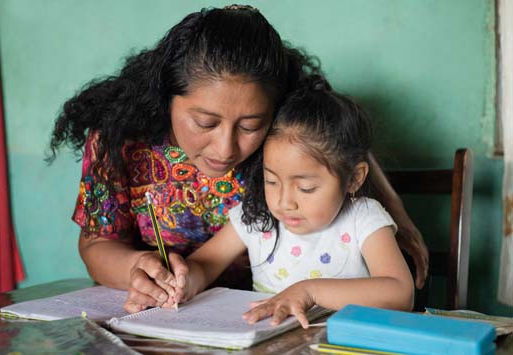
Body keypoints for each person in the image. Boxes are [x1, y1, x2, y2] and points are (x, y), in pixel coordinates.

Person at [46, 5, 426, 313]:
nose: (226, 149)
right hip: (178, 313)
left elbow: (335, 148)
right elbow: (97, 245)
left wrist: (396, 211)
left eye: (250, 125)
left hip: (270, 317)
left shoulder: (284, 129)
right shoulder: (118, 139)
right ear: (164, 98)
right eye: (205, 122)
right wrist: (138, 269)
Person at [172, 76, 414, 328]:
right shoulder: (257, 216)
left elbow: (400, 293)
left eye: (305, 188)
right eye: (272, 182)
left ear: (353, 179)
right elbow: (204, 264)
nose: (285, 202)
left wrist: (309, 292)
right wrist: (183, 281)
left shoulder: (363, 218)